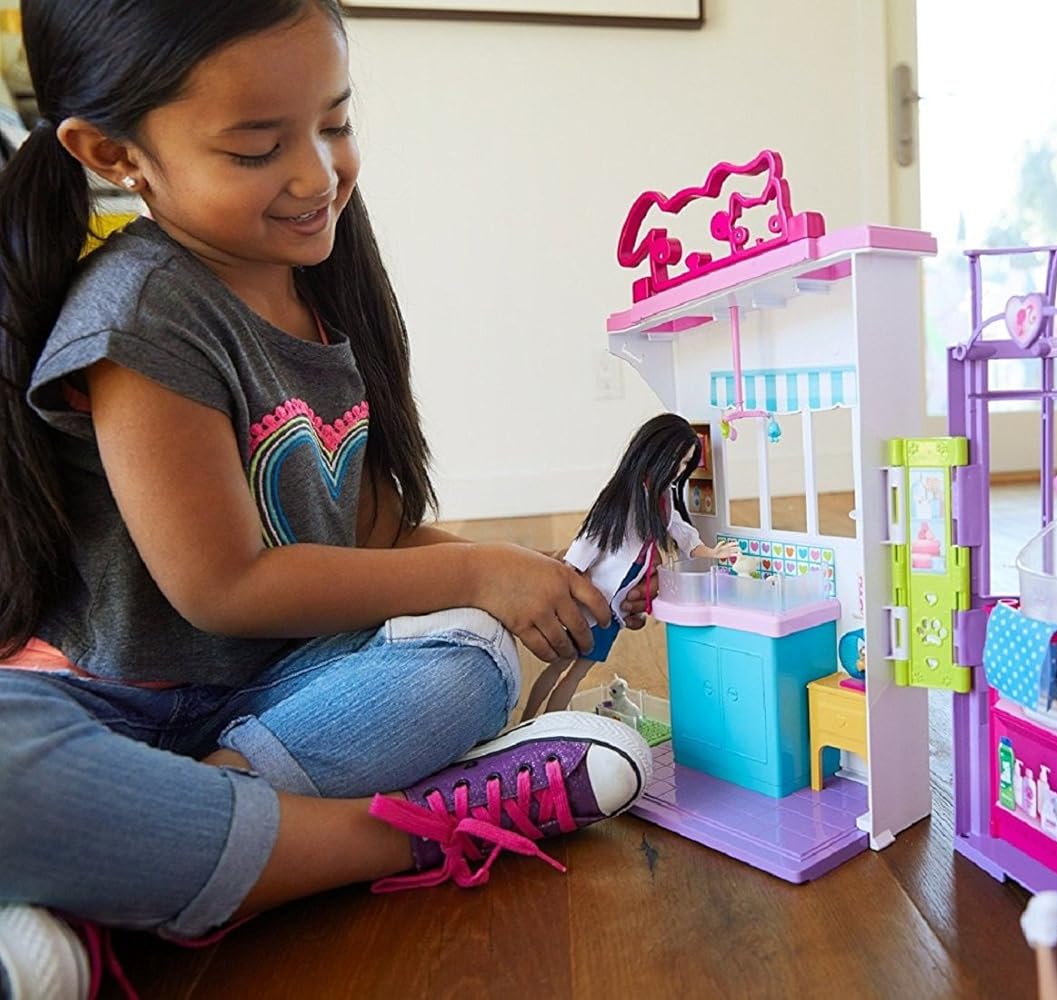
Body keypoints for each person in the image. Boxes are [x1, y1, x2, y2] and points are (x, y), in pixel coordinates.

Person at [0, 1, 653, 993]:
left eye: (335, 122)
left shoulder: (318, 283)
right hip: (103, 708)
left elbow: (369, 535)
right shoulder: (143, 314)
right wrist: (479, 567)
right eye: (256, 149)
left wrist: (535, 578)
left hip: (263, 699)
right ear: (114, 154)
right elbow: (224, 588)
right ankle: (410, 832)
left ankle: (143, 863)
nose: (317, 175)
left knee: (473, 649)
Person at [521, 413, 739, 719]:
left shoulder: (663, 498)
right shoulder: (625, 497)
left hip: (614, 607)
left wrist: (712, 552)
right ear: (654, 452)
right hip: (590, 599)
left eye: (684, 463)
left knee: (576, 673)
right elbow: (588, 541)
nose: (679, 470)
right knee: (559, 667)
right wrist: (566, 575)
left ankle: (546, 727)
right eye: (676, 460)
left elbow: (682, 532)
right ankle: (529, 721)